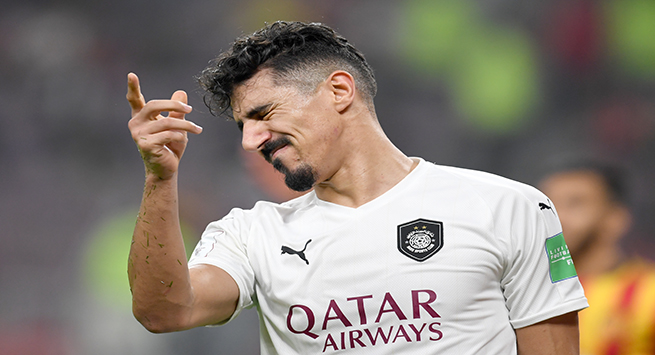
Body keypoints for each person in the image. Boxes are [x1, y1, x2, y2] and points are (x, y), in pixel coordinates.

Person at [126, 21, 588, 354]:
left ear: (339, 91)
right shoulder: (252, 235)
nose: (251, 142)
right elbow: (165, 312)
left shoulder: (509, 207)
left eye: (263, 115)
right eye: (243, 126)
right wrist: (160, 178)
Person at [539, 160, 655, 355]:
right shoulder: (524, 292)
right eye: (546, 206)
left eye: (575, 204)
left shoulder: (648, 293)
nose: (557, 217)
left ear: (615, 218)